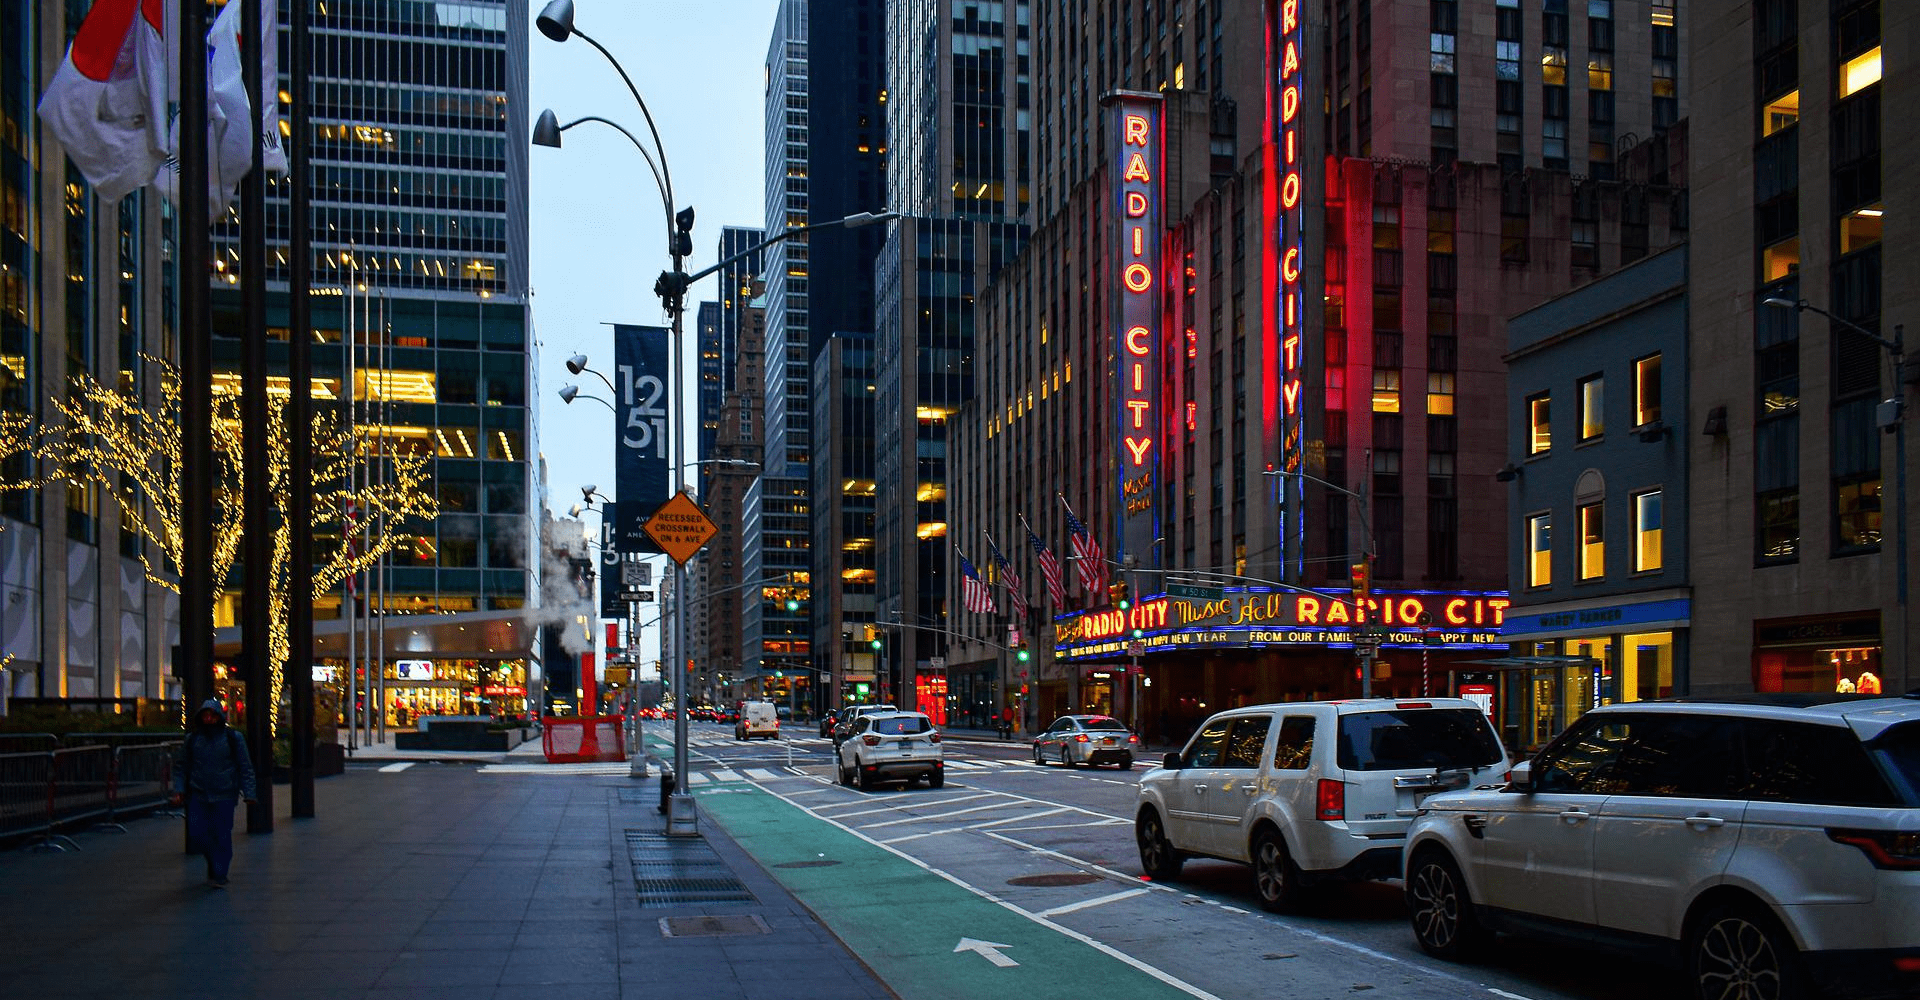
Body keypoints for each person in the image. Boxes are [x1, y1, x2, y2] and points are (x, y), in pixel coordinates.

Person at [171, 699, 257, 888]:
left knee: (221, 833)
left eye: (212, 715)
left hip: (224, 794)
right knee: (197, 833)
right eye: (206, 715)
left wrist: (249, 793)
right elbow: (182, 766)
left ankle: (219, 872)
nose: (209, 719)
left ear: (219, 717)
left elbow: (245, 767)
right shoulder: (193, 740)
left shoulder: (232, 738)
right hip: (199, 794)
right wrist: (179, 789)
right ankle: (215, 864)